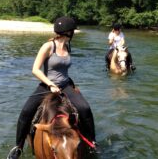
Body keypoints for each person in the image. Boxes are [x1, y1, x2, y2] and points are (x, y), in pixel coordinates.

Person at [7, 16, 96, 159]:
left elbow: (63, 70)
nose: (73, 33)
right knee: (26, 111)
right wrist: (50, 84)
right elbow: (35, 69)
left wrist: (66, 85)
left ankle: (92, 143)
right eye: (72, 31)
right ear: (68, 32)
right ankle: (18, 148)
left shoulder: (68, 46)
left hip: (66, 85)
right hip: (48, 85)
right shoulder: (48, 46)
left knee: (85, 108)